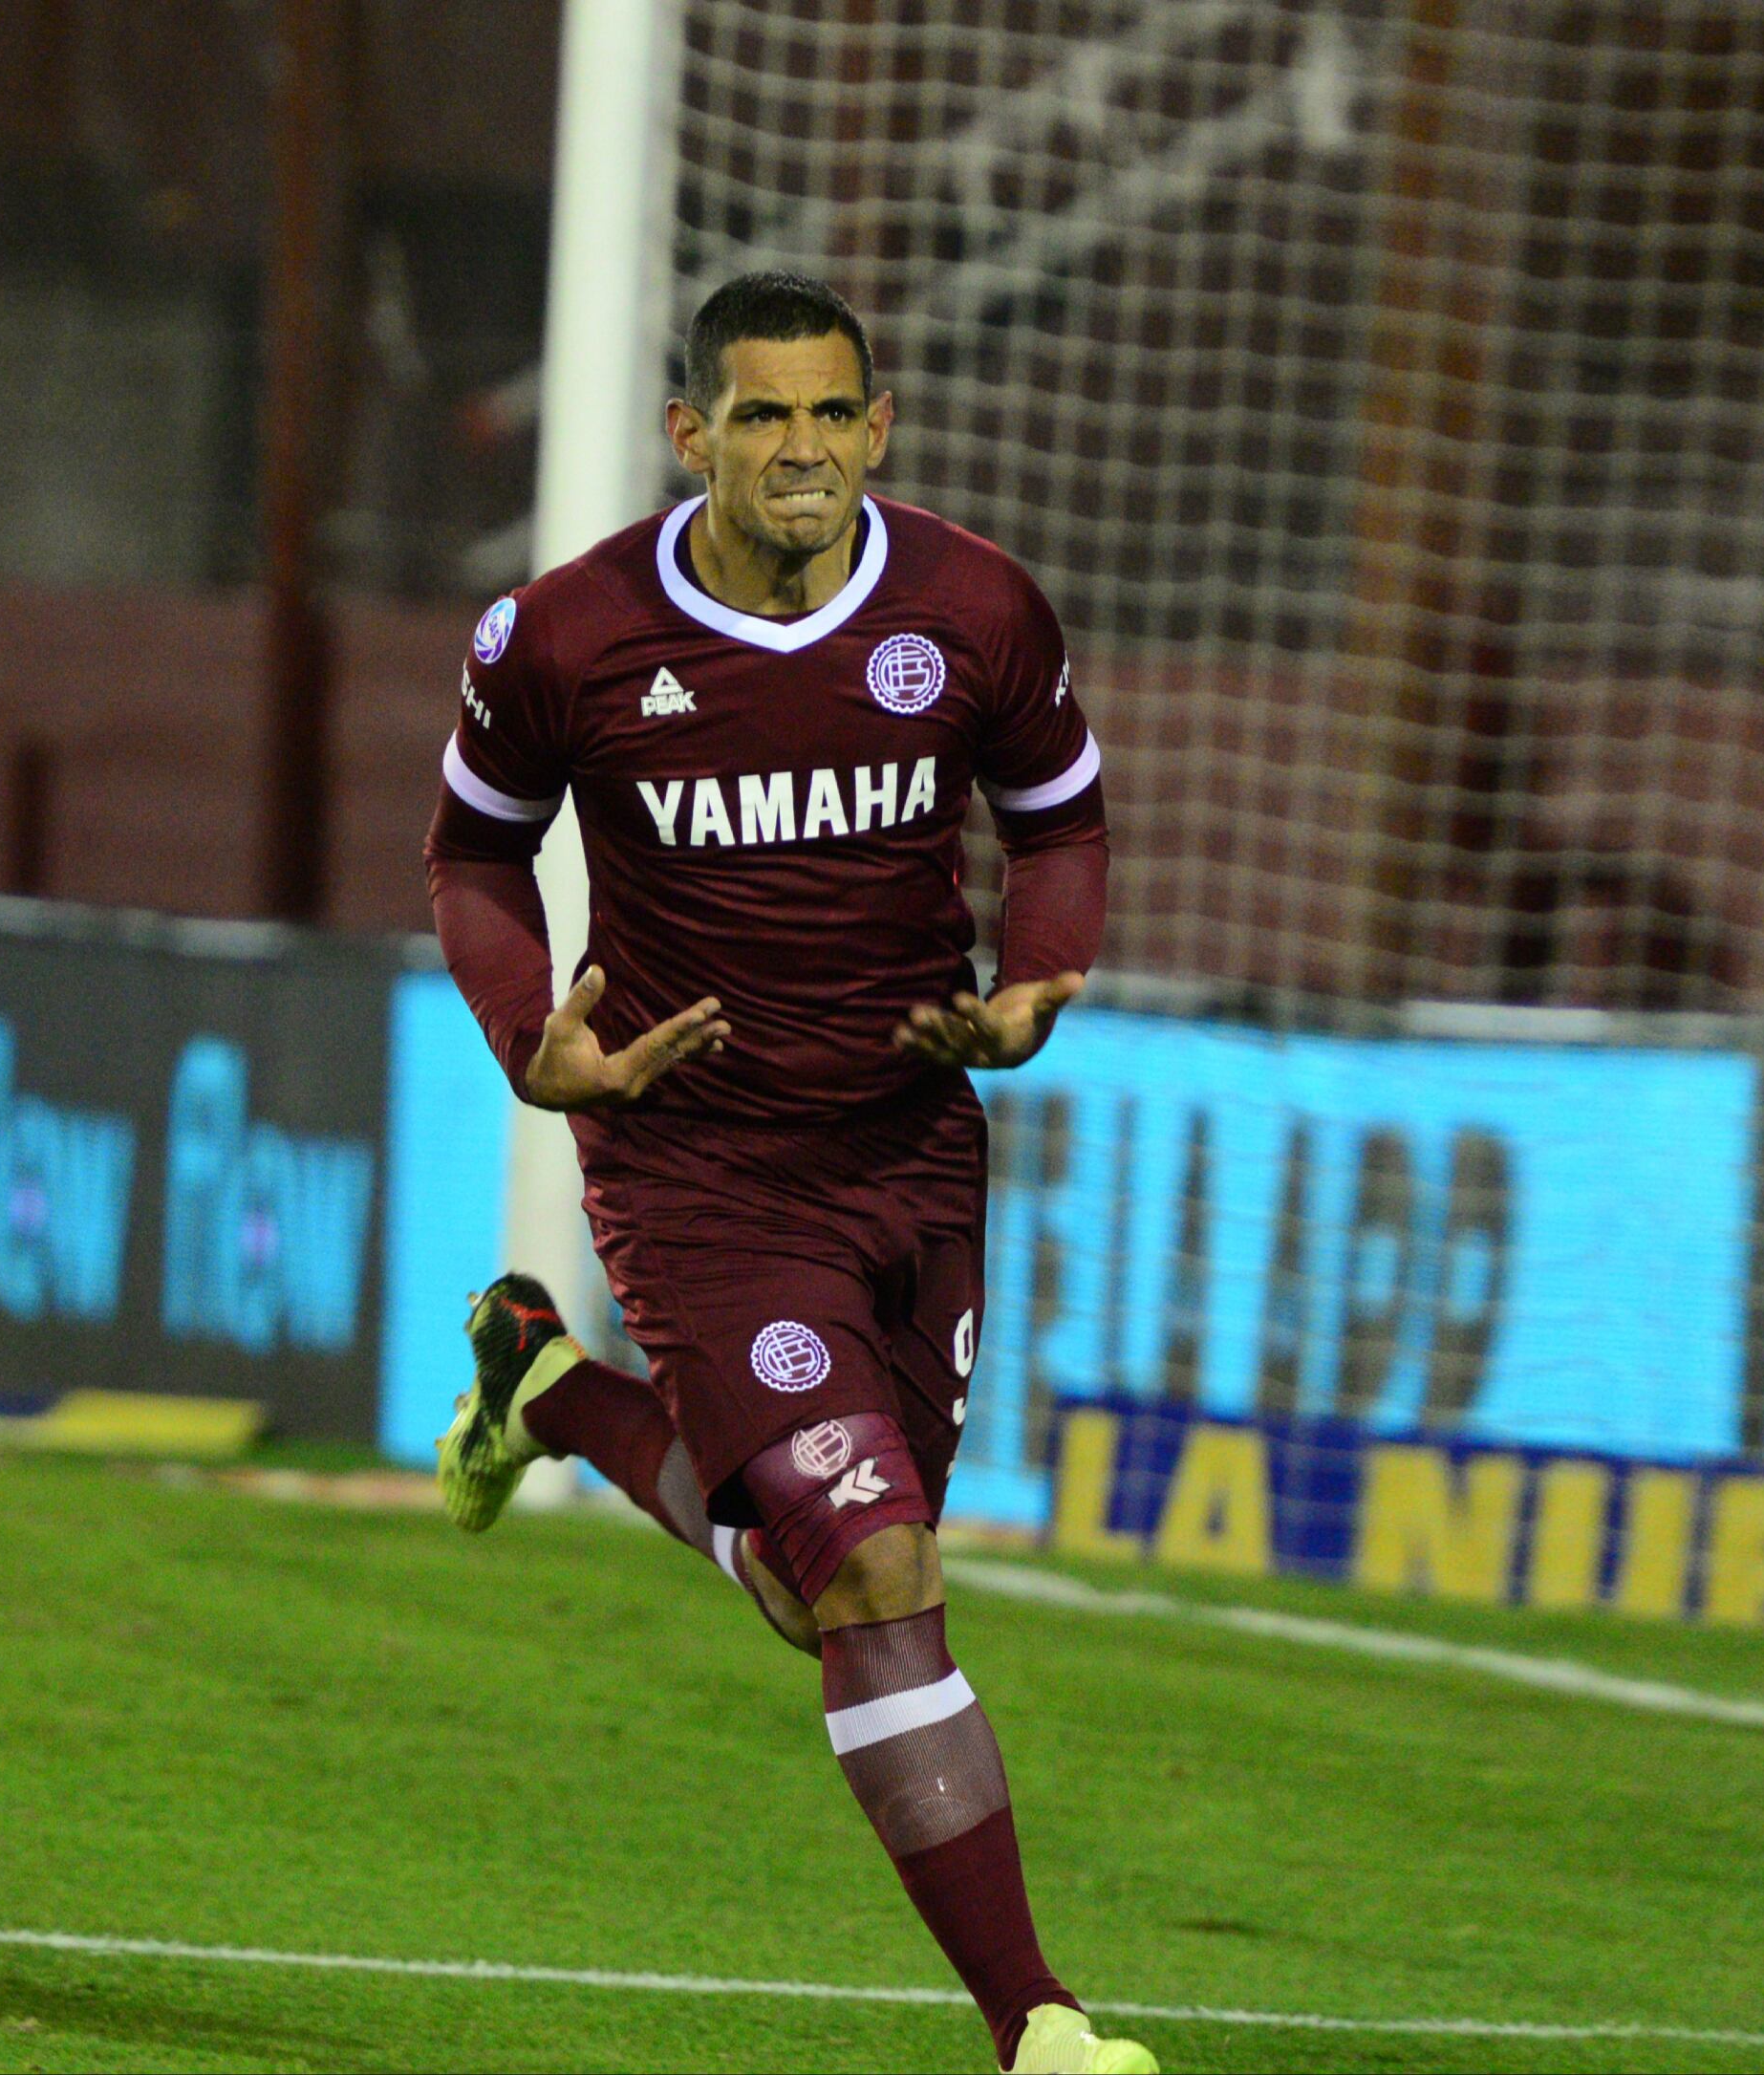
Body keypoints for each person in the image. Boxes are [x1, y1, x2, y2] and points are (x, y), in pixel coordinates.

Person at [424, 270, 1151, 2075]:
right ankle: (1038, 2025)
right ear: (695, 436)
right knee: (878, 1570)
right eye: (763, 417)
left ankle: (547, 1391)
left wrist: (1038, 989)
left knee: (806, 1585)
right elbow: (472, 862)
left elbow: (1058, 820)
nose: (804, 450)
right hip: (699, 1167)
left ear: (879, 427)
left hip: (911, 1152)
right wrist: (535, 1036)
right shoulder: (565, 637)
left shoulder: (972, 606)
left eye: (834, 414)